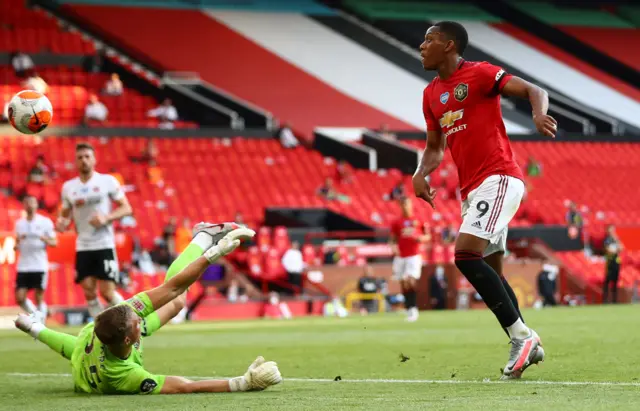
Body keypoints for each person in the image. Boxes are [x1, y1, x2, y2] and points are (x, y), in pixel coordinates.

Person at [412, 21, 557, 379]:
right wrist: (420, 173)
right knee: (490, 269)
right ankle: (527, 341)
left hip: (500, 178)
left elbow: (534, 89)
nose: (421, 45)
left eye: (429, 40)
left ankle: (521, 336)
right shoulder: (431, 94)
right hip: (473, 190)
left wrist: (539, 113)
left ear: (449, 45)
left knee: (464, 254)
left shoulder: (480, 74)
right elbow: (434, 148)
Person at [15, 223, 283, 394]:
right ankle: (203, 236)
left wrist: (34, 327)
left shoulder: (111, 320)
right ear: (130, 338)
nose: (140, 318)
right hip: (97, 371)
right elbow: (184, 387)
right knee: (176, 300)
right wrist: (242, 383)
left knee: (176, 300)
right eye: (137, 322)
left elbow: (173, 288)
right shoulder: (123, 377)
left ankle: (204, 235)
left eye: (137, 314)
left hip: (98, 346)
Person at [56, 143, 133, 319]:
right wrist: (62, 223)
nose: (84, 160)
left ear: (94, 159)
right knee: (89, 292)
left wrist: (107, 218)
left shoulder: (107, 181)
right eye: (80, 157)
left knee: (107, 292)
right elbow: (65, 216)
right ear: (75, 162)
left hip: (104, 243)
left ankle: (133, 319)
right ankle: (100, 329)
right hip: (83, 245)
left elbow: (126, 208)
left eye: (87, 156)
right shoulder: (68, 188)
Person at [14, 195, 57, 323]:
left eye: (32, 202)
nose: (29, 205)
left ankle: (40, 323)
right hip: (23, 265)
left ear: (37, 204)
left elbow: (54, 242)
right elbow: (16, 245)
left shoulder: (45, 222)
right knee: (20, 297)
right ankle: (37, 317)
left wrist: (44, 239)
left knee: (39, 297)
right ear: (24, 205)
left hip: (39, 265)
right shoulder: (19, 224)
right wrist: (16, 245)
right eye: (27, 202)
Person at [389, 197, 430, 322]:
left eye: (407, 204)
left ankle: (413, 308)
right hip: (401, 256)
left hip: (414, 255)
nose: (405, 207)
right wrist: (393, 247)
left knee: (410, 280)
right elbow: (392, 239)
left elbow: (428, 236)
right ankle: (409, 308)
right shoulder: (397, 222)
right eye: (403, 205)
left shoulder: (419, 219)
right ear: (400, 206)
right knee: (403, 282)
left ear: (411, 205)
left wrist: (420, 239)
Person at [603, 225, 622, 303]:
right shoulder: (607, 240)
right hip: (610, 261)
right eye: (611, 230)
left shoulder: (616, 240)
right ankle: (605, 299)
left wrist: (617, 240)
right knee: (607, 280)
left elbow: (621, 248)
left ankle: (614, 299)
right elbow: (608, 250)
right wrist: (615, 250)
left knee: (615, 281)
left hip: (616, 261)